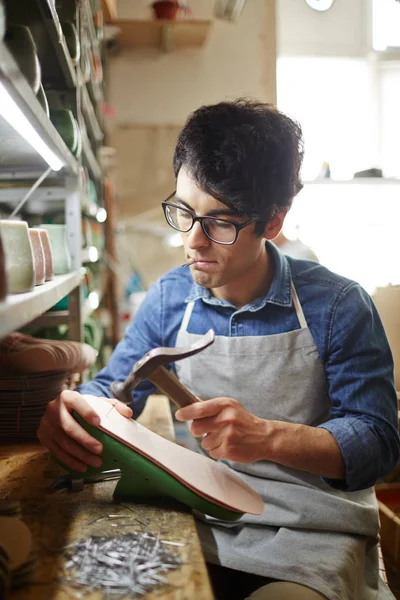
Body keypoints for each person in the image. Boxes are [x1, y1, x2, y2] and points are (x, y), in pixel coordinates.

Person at [37, 99, 400, 600]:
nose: (193, 241)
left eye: (220, 223)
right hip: (202, 518)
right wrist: (80, 411)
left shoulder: (337, 306)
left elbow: (378, 442)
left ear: (273, 222)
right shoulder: (170, 297)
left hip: (309, 535)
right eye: (184, 212)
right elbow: (113, 388)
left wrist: (268, 437)